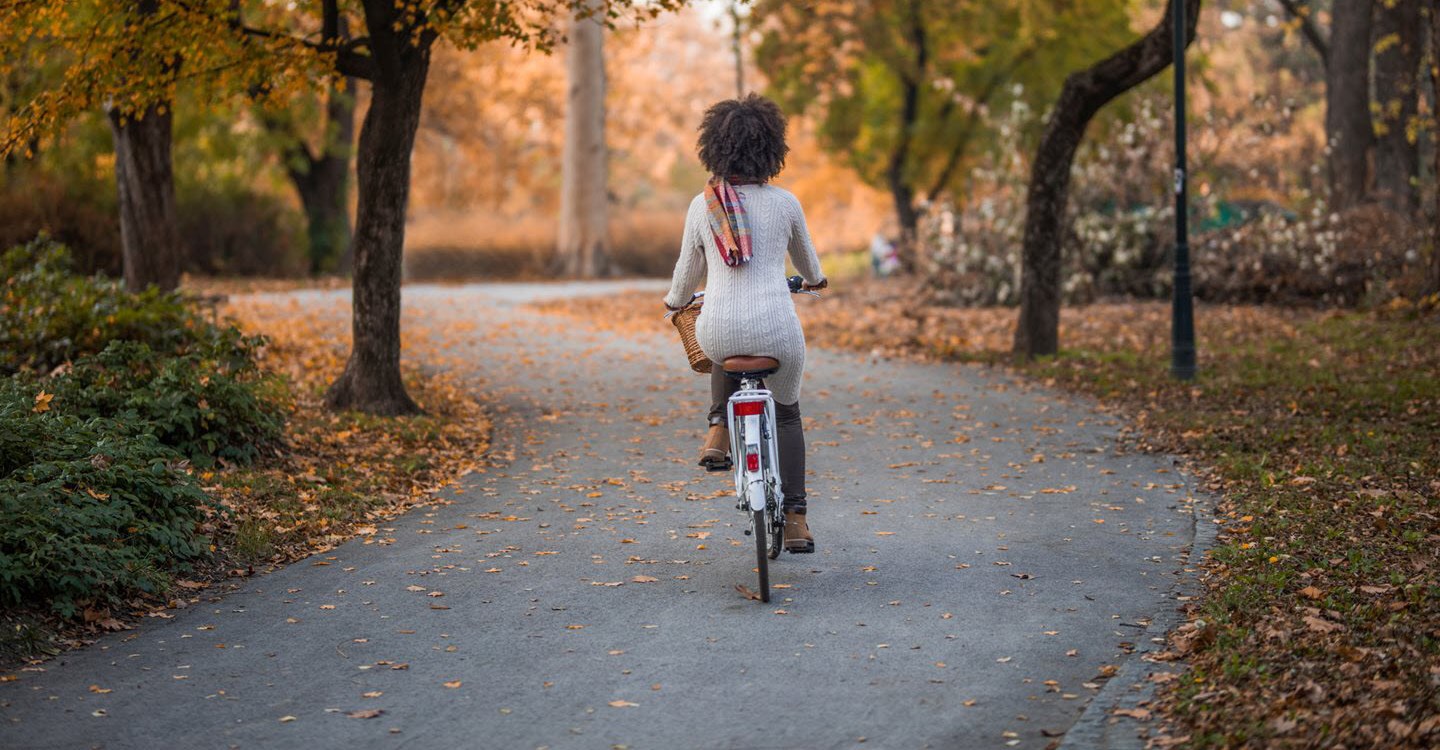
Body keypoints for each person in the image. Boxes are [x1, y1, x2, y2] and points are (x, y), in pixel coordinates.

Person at [662, 94, 827, 553]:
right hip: (778, 330)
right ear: (772, 150)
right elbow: (810, 267)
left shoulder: (703, 206)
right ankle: (795, 519)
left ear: (714, 148)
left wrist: (674, 302)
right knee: (788, 413)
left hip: (719, 328)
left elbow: (685, 276)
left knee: (720, 343)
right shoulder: (786, 204)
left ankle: (718, 426)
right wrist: (816, 280)